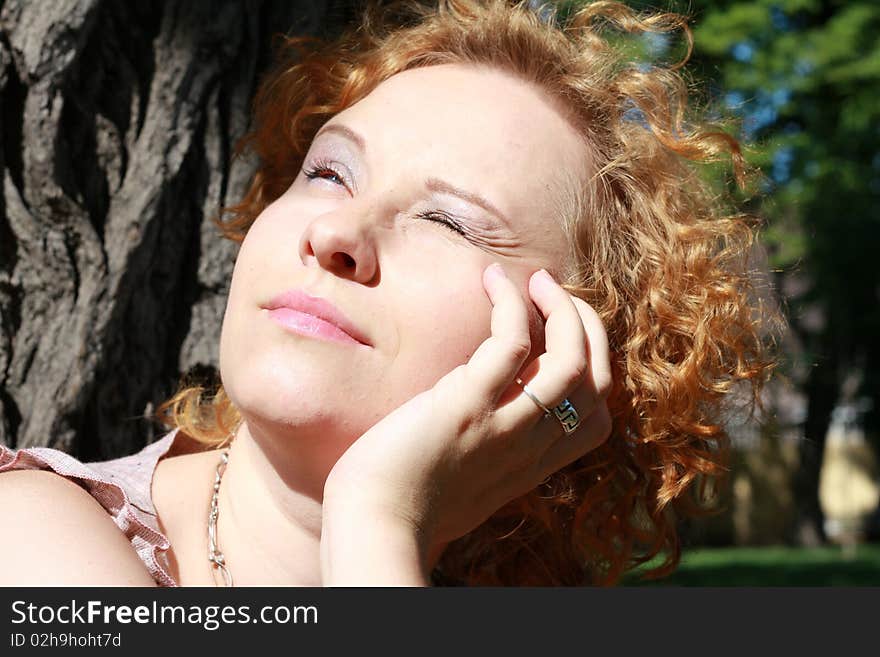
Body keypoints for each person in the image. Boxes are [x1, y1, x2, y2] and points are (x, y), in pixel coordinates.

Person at [0, 0, 776, 586]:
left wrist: (381, 526)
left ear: (559, 357)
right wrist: (380, 519)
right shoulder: (31, 538)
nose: (337, 231)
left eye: (447, 220)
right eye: (329, 171)